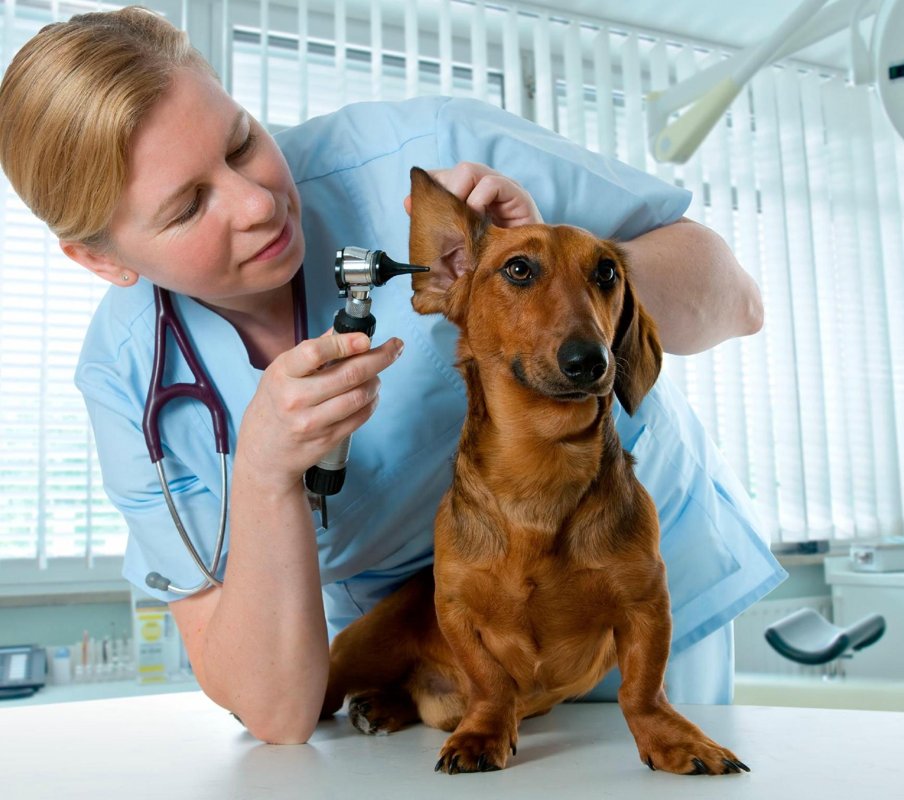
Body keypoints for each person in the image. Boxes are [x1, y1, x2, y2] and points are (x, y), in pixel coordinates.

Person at [0, 6, 785, 744]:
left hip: (626, 596)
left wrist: (552, 282)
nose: (256, 203)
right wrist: (267, 472)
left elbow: (736, 300)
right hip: (431, 651)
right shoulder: (130, 383)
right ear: (101, 259)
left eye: (241, 143)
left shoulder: (432, 163)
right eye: (187, 207)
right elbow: (275, 713)